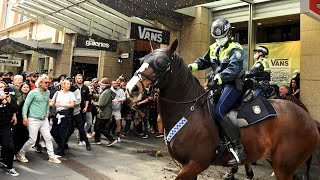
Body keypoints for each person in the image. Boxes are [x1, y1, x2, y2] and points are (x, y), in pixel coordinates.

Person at [188, 18, 246, 165]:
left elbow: (234, 69)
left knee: (219, 111)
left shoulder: (236, 48)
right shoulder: (214, 47)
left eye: (221, 37)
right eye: (216, 37)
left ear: (228, 33)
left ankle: (238, 148)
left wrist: (219, 77)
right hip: (218, 86)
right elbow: (204, 61)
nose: (219, 40)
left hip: (232, 85)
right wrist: (192, 67)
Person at [16, 74, 61, 164]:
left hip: (43, 119)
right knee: (32, 139)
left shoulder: (47, 92)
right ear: (40, 83)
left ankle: (51, 156)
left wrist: (47, 112)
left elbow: (46, 103)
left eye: (48, 82)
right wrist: (25, 117)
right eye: (46, 82)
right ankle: (20, 154)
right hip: (33, 119)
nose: (48, 84)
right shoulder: (33, 92)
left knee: (48, 138)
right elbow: (26, 105)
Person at [0, 81, 19, 176]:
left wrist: (4, 101)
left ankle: (10, 167)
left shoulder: (9, 99)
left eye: (3, 87)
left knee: (10, 147)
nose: (1, 88)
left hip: (5, 126)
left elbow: (14, 109)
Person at [92, 78, 118, 146]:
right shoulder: (107, 91)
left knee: (100, 128)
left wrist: (93, 103)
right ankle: (97, 140)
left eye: (101, 84)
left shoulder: (106, 92)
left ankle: (111, 139)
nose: (100, 85)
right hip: (105, 113)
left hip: (103, 113)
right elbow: (100, 97)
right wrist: (93, 95)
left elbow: (101, 104)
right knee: (98, 127)